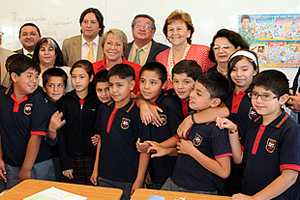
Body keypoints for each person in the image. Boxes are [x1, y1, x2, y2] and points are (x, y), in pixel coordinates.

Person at [217, 70, 300, 199]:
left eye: (266, 96)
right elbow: (239, 158)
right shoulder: (254, 123)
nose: (258, 101)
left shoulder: (290, 129)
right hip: (249, 193)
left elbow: (289, 176)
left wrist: (255, 199)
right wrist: (233, 130)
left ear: (282, 99)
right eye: (255, 95)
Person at [147, 72, 232, 194]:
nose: (191, 95)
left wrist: (192, 151)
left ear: (214, 102)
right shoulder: (192, 116)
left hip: (200, 190)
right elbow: (185, 150)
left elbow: (224, 171)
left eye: (199, 93)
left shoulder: (217, 128)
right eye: (193, 90)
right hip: (175, 182)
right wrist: (166, 150)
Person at [0, 55, 58, 189]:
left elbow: (36, 137)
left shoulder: (38, 101)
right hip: (10, 164)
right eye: (29, 76)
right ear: (14, 77)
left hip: (37, 164)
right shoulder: (2, 98)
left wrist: (26, 168)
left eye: (36, 76)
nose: (34, 81)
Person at [91, 64, 145, 200]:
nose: (114, 90)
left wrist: (139, 179)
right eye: (111, 85)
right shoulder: (104, 109)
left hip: (128, 178)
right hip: (104, 175)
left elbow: (145, 149)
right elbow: (101, 140)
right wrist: (96, 169)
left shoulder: (137, 113)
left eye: (119, 85)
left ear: (132, 85)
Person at [132, 62, 183, 193]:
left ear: (164, 85)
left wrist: (154, 147)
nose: (146, 87)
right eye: (143, 81)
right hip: (151, 169)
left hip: (170, 169)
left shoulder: (169, 104)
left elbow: (179, 136)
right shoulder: (142, 103)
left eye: (153, 83)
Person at [223, 50, 259, 196]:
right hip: (225, 157)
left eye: (245, 69)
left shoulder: (259, 98)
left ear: (255, 71)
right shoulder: (224, 94)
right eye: (234, 69)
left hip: (250, 159)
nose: (239, 74)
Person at [58, 60, 100, 185]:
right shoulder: (65, 101)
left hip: (91, 158)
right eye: (74, 77)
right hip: (70, 158)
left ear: (91, 78)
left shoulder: (97, 101)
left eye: (82, 77)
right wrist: (65, 163)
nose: (77, 81)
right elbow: (60, 133)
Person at [156, 10, 215, 90]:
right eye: (171, 30)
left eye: (179, 29)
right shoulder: (160, 57)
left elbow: (214, 79)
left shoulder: (204, 52)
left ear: (188, 32)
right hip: (168, 100)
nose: (175, 33)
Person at [93, 29, 142, 95]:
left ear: (123, 49)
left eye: (118, 44)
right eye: (109, 43)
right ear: (103, 47)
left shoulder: (137, 70)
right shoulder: (93, 68)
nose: (113, 48)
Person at [42, 67, 68, 181]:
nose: (56, 89)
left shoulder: (67, 104)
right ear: (44, 88)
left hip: (66, 154)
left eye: (60, 85)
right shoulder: (42, 107)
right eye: (51, 85)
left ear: (66, 88)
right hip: (50, 156)